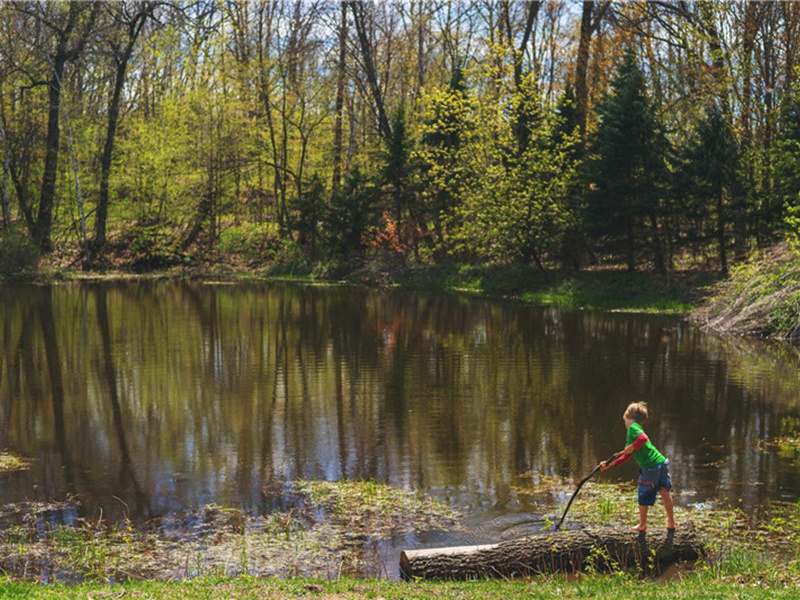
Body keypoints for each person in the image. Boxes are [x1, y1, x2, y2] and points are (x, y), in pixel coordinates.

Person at [600, 402, 675, 532]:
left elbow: (643, 438)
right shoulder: (635, 430)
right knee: (664, 492)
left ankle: (642, 525)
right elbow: (627, 456)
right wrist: (609, 464)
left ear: (626, 415)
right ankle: (671, 522)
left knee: (643, 494)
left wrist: (632, 447)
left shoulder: (633, 428)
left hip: (650, 466)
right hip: (661, 462)